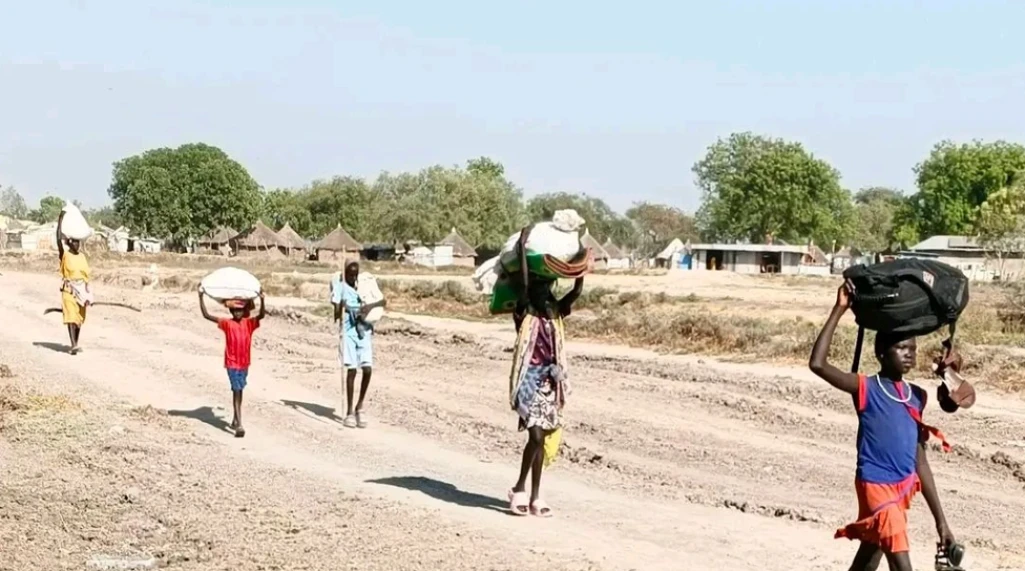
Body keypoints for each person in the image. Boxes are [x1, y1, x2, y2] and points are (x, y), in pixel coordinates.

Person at [809, 283, 956, 571]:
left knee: (870, 556)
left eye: (912, 348)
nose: (909, 354)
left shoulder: (917, 396)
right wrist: (840, 309)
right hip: (875, 485)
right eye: (901, 347)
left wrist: (942, 522)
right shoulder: (865, 387)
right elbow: (818, 364)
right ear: (880, 353)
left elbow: (920, 463)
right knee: (901, 562)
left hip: (901, 488)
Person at [507, 225, 584, 517]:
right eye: (541, 292)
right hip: (529, 380)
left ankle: (532, 494)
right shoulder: (525, 311)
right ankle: (520, 488)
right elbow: (526, 283)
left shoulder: (555, 312)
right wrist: (526, 248)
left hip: (551, 382)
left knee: (539, 439)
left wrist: (581, 263)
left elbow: (575, 290)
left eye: (548, 292)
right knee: (536, 437)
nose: (546, 296)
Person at [199, 290, 266, 438]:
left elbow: (261, 315)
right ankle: (240, 425)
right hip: (232, 363)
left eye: (240, 311)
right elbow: (206, 315)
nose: (237, 313)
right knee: (236, 390)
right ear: (231, 311)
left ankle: (235, 419)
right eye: (235, 311)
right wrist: (201, 296)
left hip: (244, 363)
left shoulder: (249, 324)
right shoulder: (227, 324)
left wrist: (262, 300)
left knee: (239, 389)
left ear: (244, 311)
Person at [332, 261, 385, 429]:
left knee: (367, 369)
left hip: (365, 331)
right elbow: (336, 314)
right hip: (348, 332)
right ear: (345, 274)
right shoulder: (340, 287)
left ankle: (359, 406)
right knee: (352, 370)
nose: (353, 278)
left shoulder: (363, 286)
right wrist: (341, 306)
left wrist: (368, 306)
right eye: (350, 275)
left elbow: (383, 302)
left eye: (356, 275)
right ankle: (349, 411)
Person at [57, 210, 92, 355]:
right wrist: (61, 219)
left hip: (82, 290)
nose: (77, 245)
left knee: (78, 319)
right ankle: (74, 344)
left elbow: (86, 276)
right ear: (69, 243)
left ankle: (75, 344)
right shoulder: (65, 254)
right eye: (74, 242)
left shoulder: (83, 257)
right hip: (69, 289)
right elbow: (58, 239)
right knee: (71, 315)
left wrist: (89, 294)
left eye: (78, 242)